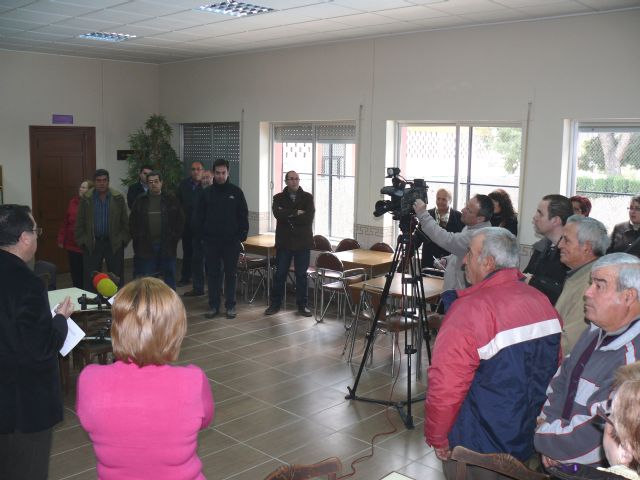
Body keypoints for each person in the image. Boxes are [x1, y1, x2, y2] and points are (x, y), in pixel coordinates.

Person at [425, 227, 561, 479]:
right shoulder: (542, 301)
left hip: (477, 446)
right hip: (525, 438)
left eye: (470, 253)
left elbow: (446, 384)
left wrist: (438, 436)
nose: (464, 259)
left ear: (487, 262)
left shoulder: (469, 311)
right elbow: (556, 371)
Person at [76, 277, 214, 480]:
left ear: (117, 327)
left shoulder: (89, 380)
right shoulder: (194, 381)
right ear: (174, 331)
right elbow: (203, 421)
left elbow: (90, 422)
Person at [535, 253, 640, 468]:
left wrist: (547, 441)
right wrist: (547, 425)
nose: (587, 293)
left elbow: (603, 431)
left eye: (599, 286)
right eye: (590, 283)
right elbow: (561, 381)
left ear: (628, 297)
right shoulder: (595, 332)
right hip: (560, 452)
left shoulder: (632, 360)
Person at [0, 204, 74, 480]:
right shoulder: (28, 283)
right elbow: (42, 348)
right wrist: (60, 320)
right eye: (35, 230)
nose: (37, 236)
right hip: (24, 404)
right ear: (23, 238)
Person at [195, 158, 248, 319]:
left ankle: (230, 306)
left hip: (231, 242)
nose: (220, 176)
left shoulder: (236, 192)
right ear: (213, 173)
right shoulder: (206, 193)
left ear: (228, 172)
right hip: (211, 242)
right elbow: (198, 218)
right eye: (217, 173)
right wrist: (202, 237)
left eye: (223, 173)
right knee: (213, 274)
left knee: (231, 274)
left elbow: (243, 216)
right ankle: (213, 305)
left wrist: (241, 237)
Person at [413, 194, 493, 292]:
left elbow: (447, 239)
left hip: (462, 295)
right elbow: (462, 252)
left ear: (480, 219)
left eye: (468, 210)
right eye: (465, 206)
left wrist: (422, 214)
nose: (463, 210)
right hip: (456, 291)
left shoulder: (477, 236)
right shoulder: (471, 227)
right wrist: (448, 260)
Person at [555, 215, 609, 353]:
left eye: (566, 240)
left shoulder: (591, 284)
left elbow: (569, 344)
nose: (559, 244)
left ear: (586, 247)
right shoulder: (580, 274)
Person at [264, 170, 315, 317]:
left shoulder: (307, 198)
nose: (294, 181)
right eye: (291, 179)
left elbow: (307, 218)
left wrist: (287, 214)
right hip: (284, 242)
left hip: (302, 242)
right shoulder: (278, 197)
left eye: (297, 179)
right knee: (280, 274)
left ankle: (302, 305)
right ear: (286, 181)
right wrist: (295, 212)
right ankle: (275, 304)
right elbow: (277, 214)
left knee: (301, 275)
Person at [129, 171, 185, 290]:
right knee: (148, 278)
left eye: (156, 181)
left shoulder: (171, 199)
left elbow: (180, 220)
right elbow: (132, 223)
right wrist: (138, 238)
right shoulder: (140, 200)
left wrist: (174, 237)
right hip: (146, 245)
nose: (153, 184)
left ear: (161, 182)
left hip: (167, 244)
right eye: (150, 182)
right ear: (147, 184)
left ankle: (171, 303)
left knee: (169, 275)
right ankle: (150, 304)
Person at [75, 169, 130, 290]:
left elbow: (125, 222)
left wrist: (122, 241)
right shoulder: (86, 199)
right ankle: (92, 305)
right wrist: (82, 241)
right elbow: (79, 222)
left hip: (113, 243)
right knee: (91, 277)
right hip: (93, 243)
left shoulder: (118, 198)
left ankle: (117, 304)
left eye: (104, 180)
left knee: (116, 276)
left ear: (108, 181)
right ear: (94, 182)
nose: (102, 183)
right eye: (99, 181)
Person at [523, 194, 573, 305]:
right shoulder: (541, 247)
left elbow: (566, 295)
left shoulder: (571, 254)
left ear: (555, 220)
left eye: (540, 213)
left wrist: (533, 282)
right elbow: (525, 275)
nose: (535, 217)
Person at [414, 188, 464, 270]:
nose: (440, 201)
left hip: (451, 265)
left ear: (450, 201)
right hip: (428, 263)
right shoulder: (426, 215)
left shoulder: (459, 217)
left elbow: (461, 243)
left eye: (444, 199)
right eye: (438, 198)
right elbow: (418, 239)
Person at [57, 179, 93, 288]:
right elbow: (66, 222)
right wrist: (61, 239)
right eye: (80, 187)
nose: (80, 189)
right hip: (72, 245)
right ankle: (78, 293)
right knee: (75, 274)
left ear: (90, 190)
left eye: (83, 187)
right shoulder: (72, 202)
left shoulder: (93, 203)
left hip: (87, 246)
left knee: (88, 274)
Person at [184, 169, 213, 298]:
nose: (205, 180)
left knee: (212, 266)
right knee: (196, 263)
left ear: (213, 178)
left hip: (211, 237)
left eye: (208, 177)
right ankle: (198, 288)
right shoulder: (197, 192)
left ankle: (213, 290)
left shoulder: (215, 193)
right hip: (197, 235)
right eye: (204, 178)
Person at [177, 161, 204, 287]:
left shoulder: (206, 185)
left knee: (200, 255)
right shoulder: (183, 185)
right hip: (187, 226)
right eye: (193, 169)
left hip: (201, 228)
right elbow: (177, 204)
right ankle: (185, 277)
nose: (196, 172)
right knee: (187, 252)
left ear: (203, 171)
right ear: (190, 171)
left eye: (198, 169)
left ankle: (200, 281)